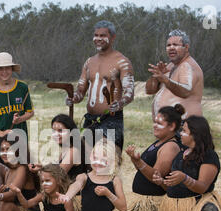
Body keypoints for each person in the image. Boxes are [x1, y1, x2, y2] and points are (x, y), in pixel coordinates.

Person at [113, 104, 184, 211]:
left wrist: (138, 162)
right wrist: (135, 159)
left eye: (159, 123)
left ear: (172, 126)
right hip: (142, 201)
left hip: (152, 204)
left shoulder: (170, 146)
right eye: (154, 121)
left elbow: (156, 176)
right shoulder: (159, 142)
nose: (154, 125)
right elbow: (143, 167)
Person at [66, 20, 135, 151]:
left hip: (111, 120)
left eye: (103, 36)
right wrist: (73, 98)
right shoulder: (89, 62)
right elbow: (81, 90)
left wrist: (120, 103)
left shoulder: (122, 62)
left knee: (106, 160)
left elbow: (129, 93)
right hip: (90, 120)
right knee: (84, 159)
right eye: (96, 35)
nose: (98, 39)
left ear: (112, 37)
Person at [0, 52, 34, 162]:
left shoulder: (22, 87)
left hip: (19, 143)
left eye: (7, 68)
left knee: (21, 175)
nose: (4, 72)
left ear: (12, 68)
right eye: (1, 69)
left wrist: (20, 119)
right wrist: (0, 133)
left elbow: (30, 112)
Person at [146, 29, 204, 121]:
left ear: (186, 47)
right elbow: (149, 91)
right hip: (170, 128)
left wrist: (165, 79)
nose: (171, 48)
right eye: (168, 45)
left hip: (186, 125)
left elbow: (185, 92)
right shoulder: (170, 66)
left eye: (175, 45)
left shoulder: (187, 66)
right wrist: (156, 77)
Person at [51, 114, 88, 181]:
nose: (56, 134)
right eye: (54, 131)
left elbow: (57, 175)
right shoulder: (66, 148)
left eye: (60, 131)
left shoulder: (73, 151)